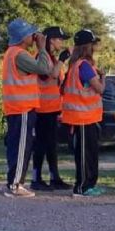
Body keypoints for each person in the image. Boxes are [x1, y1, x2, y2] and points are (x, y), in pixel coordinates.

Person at [1, 18, 59, 198]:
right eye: (31, 34)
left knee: (15, 146)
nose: (33, 37)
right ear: (23, 36)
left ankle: (13, 181)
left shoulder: (11, 53)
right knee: (21, 147)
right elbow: (44, 69)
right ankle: (15, 185)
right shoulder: (20, 54)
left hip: (15, 107)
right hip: (22, 107)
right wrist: (42, 48)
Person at [61, 30, 105, 197]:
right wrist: (103, 77)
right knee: (85, 154)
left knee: (91, 153)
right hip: (83, 117)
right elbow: (99, 88)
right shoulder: (84, 66)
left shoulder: (76, 65)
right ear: (88, 46)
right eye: (93, 44)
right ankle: (82, 187)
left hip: (87, 117)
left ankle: (90, 184)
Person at [30, 26, 72, 192]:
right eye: (59, 39)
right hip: (42, 110)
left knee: (51, 145)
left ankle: (55, 178)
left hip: (52, 109)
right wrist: (63, 59)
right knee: (41, 145)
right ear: (51, 40)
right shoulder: (43, 57)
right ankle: (36, 178)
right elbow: (50, 75)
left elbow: (57, 81)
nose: (61, 42)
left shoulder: (52, 59)